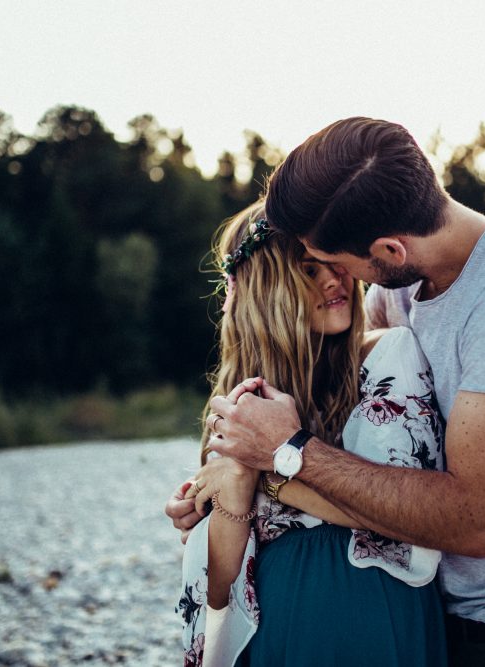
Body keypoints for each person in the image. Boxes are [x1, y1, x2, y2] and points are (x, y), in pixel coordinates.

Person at [168, 117, 485, 666]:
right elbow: (327, 378)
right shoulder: (406, 290)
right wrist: (215, 491)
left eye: (338, 262)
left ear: (389, 251)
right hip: (453, 618)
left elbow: (476, 522)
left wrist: (281, 460)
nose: (337, 280)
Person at [174, 201, 448, 666]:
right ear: (267, 291)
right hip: (272, 634)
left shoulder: (387, 356)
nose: (333, 280)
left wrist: (271, 472)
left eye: (334, 264)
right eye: (307, 269)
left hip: (368, 618)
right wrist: (235, 494)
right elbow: (218, 591)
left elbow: (407, 522)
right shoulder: (240, 406)